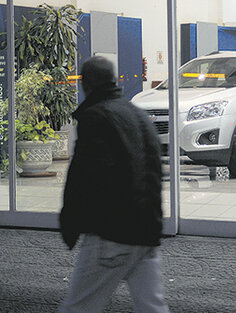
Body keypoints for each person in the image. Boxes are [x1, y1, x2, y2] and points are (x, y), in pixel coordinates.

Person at [59, 56, 169, 313]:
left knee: (79, 307)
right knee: (153, 307)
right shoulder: (137, 115)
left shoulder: (97, 116)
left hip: (112, 233)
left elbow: (83, 176)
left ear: (86, 84)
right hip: (147, 231)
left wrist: (70, 223)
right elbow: (153, 171)